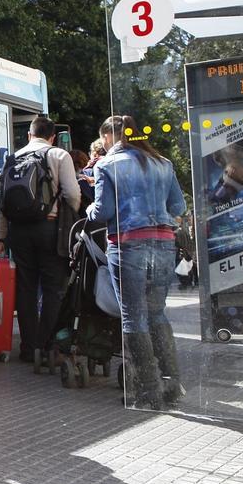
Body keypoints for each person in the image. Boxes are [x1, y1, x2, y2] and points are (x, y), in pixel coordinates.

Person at [87, 115, 186, 410]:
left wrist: (90, 208)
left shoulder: (107, 165)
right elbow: (178, 206)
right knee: (157, 313)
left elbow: (103, 212)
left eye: (103, 139)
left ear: (109, 136)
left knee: (133, 317)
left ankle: (147, 391)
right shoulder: (163, 163)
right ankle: (171, 384)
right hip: (164, 243)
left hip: (128, 244)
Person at [0, 117, 81, 363]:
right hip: (50, 229)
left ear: (29, 135)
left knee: (26, 288)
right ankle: (45, 346)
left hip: (19, 231)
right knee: (53, 288)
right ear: (52, 137)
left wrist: (0, 237)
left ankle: (28, 347)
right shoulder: (59, 155)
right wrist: (70, 212)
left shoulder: (13, 158)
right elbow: (72, 193)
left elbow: (3, 202)